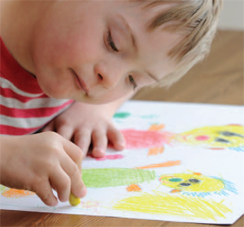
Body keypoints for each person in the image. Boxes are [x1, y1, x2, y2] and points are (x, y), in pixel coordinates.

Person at [0, 0, 222, 206]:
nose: (110, 81)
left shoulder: (77, 67)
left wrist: (96, 108)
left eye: (132, 79)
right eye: (113, 43)